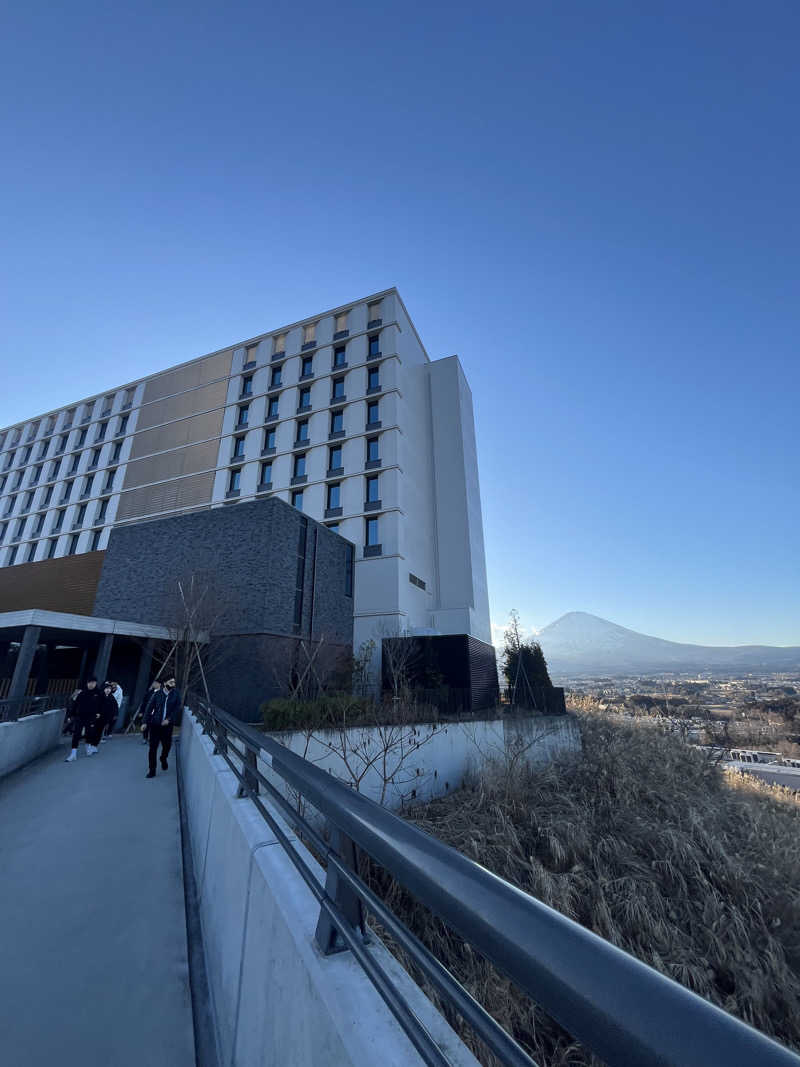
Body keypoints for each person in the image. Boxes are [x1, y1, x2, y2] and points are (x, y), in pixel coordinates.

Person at [145, 677, 180, 778]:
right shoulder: (157, 694)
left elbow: (177, 709)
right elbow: (149, 708)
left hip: (167, 726)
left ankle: (163, 758)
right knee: (153, 748)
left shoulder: (176, 694)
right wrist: (145, 722)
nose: (173, 684)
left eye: (174, 682)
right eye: (171, 682)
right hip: (155, 724)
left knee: (167, 746)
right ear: (165, 683)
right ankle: (152, 770)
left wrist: (168, 719)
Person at [65, 678, 105, 761]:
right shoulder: (82, 693)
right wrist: (70, 715)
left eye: (93, 683)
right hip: (80, 716)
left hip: (91, 717)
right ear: (87, 683)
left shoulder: (99, 693)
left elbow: (102, 705)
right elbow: (75, 705)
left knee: (89, 733)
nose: (91, 684)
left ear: (96, 683)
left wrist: (99, 713)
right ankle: (73, 754)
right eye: (89, 682)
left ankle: (88, 746)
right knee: (76, 734)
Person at [139, 680, 162, 745]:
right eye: (153, 683)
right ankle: (145, 738)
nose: (154, 684)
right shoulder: (149, 693)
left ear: (159, 684)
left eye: (155, 683)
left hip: (157, 713)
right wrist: (141, 711)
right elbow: (144, 703)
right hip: (148, 712)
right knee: (146, 725)